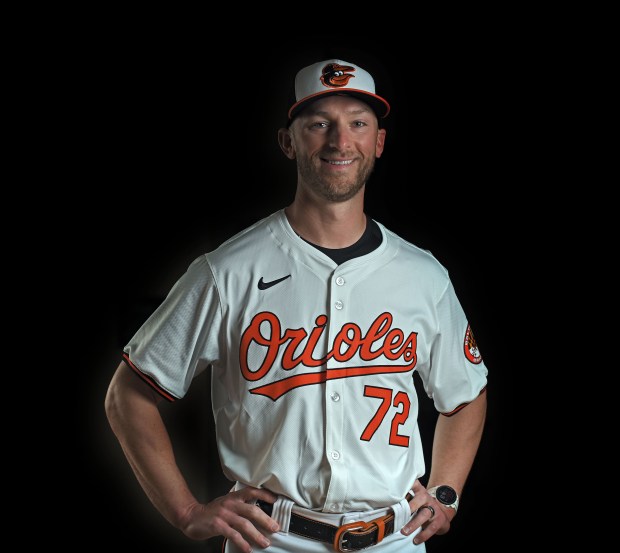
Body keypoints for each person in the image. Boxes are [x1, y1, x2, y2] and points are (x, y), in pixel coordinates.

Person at [105, 58, 488, 553]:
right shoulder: (227, 271)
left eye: (357, 123)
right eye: (318, 124)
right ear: (288, 142)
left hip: (394, 540)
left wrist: (445, 494)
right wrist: (186, 512)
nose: (339, 141)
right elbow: (128, 395)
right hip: (271, 539)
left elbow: (467, 395)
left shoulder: (424, 276)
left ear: (379, 142)